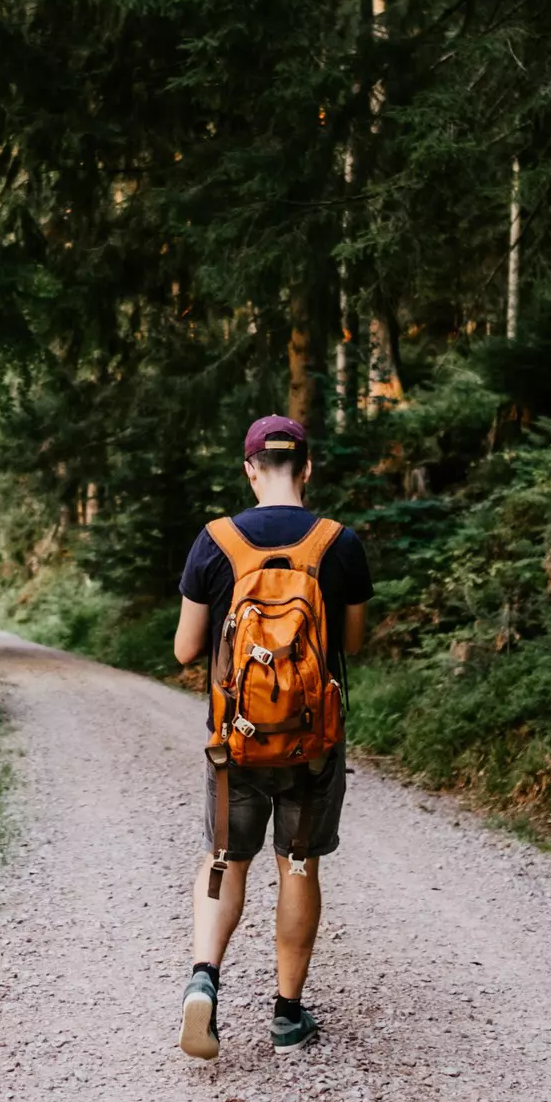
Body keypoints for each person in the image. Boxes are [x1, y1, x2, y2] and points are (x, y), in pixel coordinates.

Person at [174, 414, 371, 1059]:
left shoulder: (216, 540)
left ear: (251, 470)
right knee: (297, 863)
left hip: (236, 743)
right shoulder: (339, 542)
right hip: (313, 744)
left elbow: (185, 651)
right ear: (307, 468)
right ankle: (287, 1014)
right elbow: (351, 644)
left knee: (225, 858)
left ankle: (204, 980)